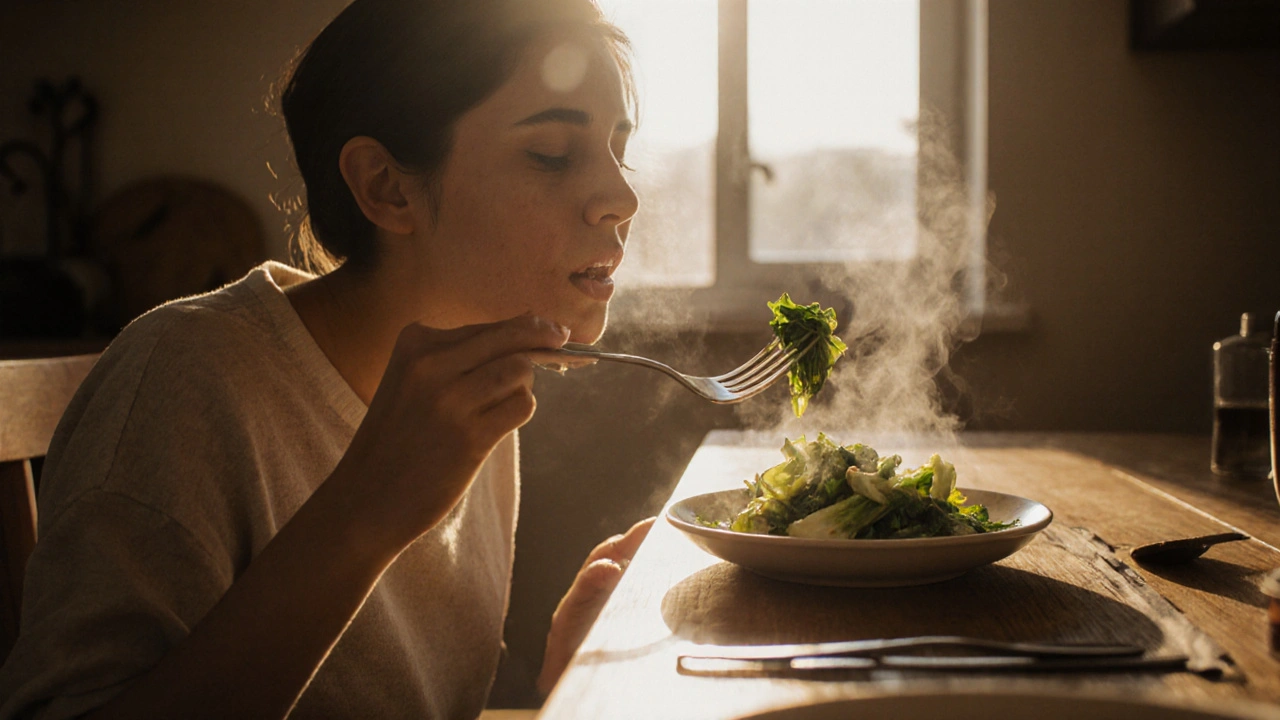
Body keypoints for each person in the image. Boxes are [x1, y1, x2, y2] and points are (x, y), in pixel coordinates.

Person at [0, 0, 652, 717]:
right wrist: (367, 511)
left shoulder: (474, 377)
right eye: (553, 155)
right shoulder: (185, 381)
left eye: (619, 150)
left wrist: (564, 682)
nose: (621, 196)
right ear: (385, 186)